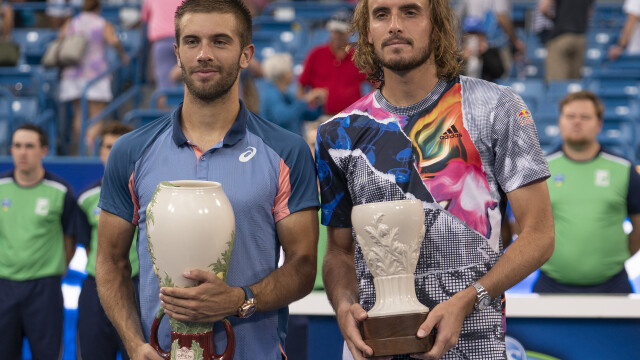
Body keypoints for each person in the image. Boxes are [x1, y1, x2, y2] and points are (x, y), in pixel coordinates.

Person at [315, 0, 555, 358]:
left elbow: (539, 233)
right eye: (381, 14)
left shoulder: (497, 107)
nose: (395, 25)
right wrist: (344, 305)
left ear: (437, 25)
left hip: (475, 345)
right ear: (368, 31)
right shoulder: (337, 133)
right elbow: (338, 250)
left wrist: (469, 297)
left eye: (410, 12)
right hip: (376, 346)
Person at [95, 1, 319, 359]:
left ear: (246, 55)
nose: (203, 54)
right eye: (192, 42)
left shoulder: (287, 151)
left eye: (220, 41)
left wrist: (240, 299)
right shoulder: (130, 151)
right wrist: (134, 344)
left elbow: (303, 264)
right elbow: (109, 260)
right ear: (177, 53)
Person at [534, 91, 640, 294]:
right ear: (560, 121)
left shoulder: (624, 169)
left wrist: (608, 261)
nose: (577, 122)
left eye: (585, 117)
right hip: (551, 285)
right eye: (570, 116)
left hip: (613, 286)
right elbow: (523, 227)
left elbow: (639, 228)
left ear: (599, 124)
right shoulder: (540, 170)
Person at [0, 124, 78, 360]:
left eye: (30, 146)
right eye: (17, 146)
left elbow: (70, 239)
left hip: (44, 290)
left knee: (46, 355)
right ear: (11, 149)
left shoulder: (61, 191)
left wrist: (54, 270)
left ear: (44, 150)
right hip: (4, 287)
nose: (23, 152)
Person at [76, 122, 139, 360]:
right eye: (108, 146)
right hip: (96, 289)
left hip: (139, 286)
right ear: (99, 151)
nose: (113, 153)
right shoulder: (86, 198)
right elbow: (87, 245)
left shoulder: (151, 196)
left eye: (119, 147)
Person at [58, 0, 129, 155]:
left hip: (73, 74)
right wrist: (123, 55)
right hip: (96, 74)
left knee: (79, 113)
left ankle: (82, 146)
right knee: (97, 115)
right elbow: (113, 40)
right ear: (99, 7)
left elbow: (60, 38)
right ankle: (89, 145)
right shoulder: (102, 23)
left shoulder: (72, 22)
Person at [298, 9, 368, 117]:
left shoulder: (358, 57)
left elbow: (374, 83)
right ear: (331, 31)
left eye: (342, 32)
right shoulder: (316, 54)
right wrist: (304, 108)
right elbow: (301, 85)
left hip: (351, 118)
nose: (338, 35)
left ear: (349, 32)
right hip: (320, 116)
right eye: (335, 31)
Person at [260, 52, 327, 135]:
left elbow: (308, 115)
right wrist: (306, 99)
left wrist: (319, 104)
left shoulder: (287, 95)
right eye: (290, 70)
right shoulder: (271, 95)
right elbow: (283, 117)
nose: (293, 73)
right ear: (284, 74)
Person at [141, 0, 183, 109]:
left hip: (162, 42)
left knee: (164, 88)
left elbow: (144, 18)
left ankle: (167, 122)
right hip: (183, 40)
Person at [540, 0, 594, 82]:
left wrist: (555, 18)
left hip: (561, 37)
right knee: (574, 85)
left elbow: (543, 8)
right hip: (580, 37)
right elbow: (589, 13)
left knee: (557, 84)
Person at [461, 16, 505, 83]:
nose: (473, 38)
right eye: (470, 34)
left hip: (485, 90)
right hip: (463, 90)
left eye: (476, 34)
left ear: (482, 35)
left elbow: (499, 73)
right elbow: (451, 76)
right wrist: (463, 59)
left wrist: (485, 52)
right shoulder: (457, 53)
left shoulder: (490, 51)